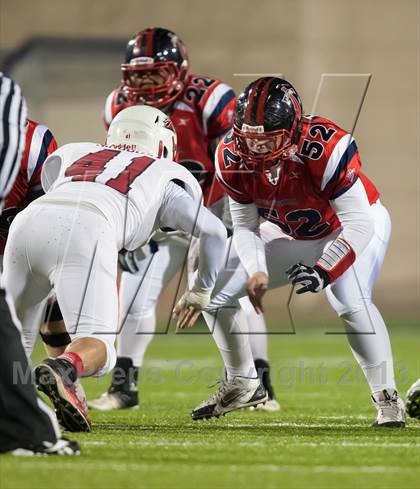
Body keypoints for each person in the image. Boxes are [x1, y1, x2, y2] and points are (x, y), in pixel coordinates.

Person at [175, 76, 406, 428]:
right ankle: (243, 382)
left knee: (347, 298)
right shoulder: (231, 154)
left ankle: (387, 398)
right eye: (250, 137)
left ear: (293, 129)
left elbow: (359, 224)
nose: (257, 147)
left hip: (350, 225)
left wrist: (324, 270)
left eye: (268, 138)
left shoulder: (325, 148)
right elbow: (246, 226)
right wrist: (256, 270)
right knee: (212, 294)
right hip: (291, 231)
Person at [2, 105, 227, 432]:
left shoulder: (75, 151)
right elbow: (212, 231)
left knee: (11, 340)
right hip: (89, 228)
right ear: (162, 143)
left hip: (28, 222)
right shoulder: (164, 173)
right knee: (102, 351)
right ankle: (65, 368)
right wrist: (202, 290)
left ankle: (19, 416)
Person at [89, 27, 279, 411]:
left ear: (178, 70)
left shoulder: (210, 100)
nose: (142, 85)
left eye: (153, 74)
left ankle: (261, 385)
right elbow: (122, 167)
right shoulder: (117, 104)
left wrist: (231, 219)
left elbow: (237, 162)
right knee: (133, 295)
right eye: (136, 75)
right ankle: (124, 387)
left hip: (210, 209)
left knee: (228, 295)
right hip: (155, 214)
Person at [0, 72, 79, 455]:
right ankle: (26, 422)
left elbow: (46, 208)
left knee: (26, 329)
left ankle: (57, 391)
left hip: (15, 250)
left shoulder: (34, 144)